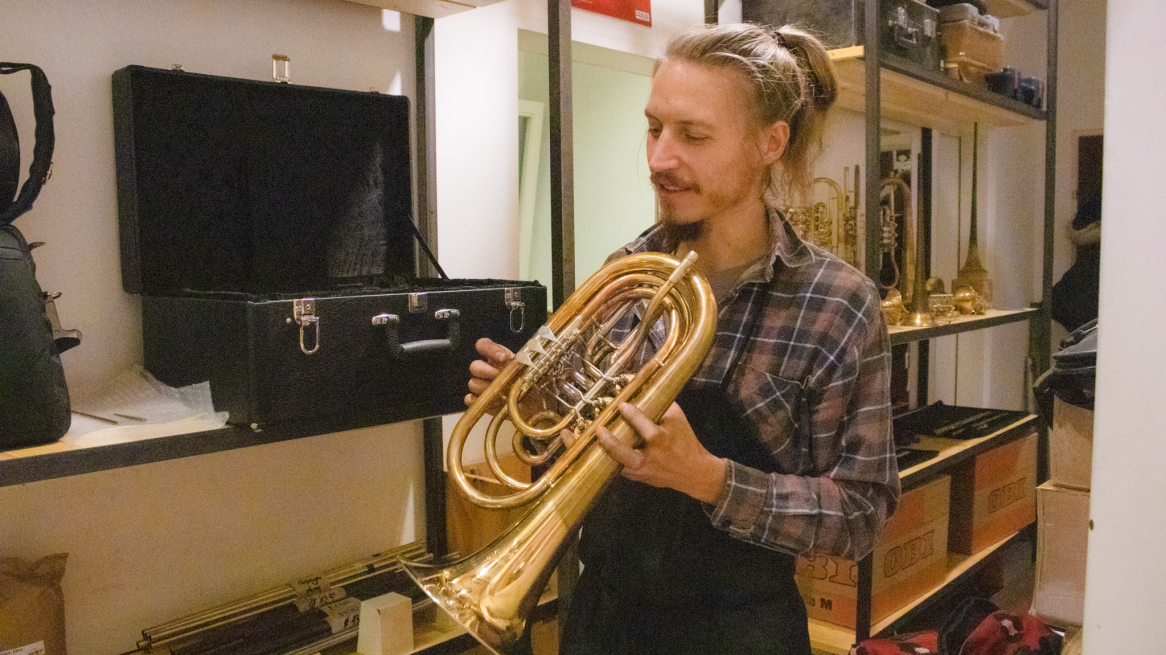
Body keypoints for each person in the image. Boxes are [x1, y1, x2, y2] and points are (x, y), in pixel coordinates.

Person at [466, 23, 899, 655]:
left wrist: (707, 478)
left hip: (740, 632)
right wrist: (535, 409)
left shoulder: (838, 304)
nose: (660, 159)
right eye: (654, 128)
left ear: (768, 143)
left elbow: (861, 516)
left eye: (693, 136)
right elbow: (576, 462)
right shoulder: (624, 274)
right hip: (606, 623)